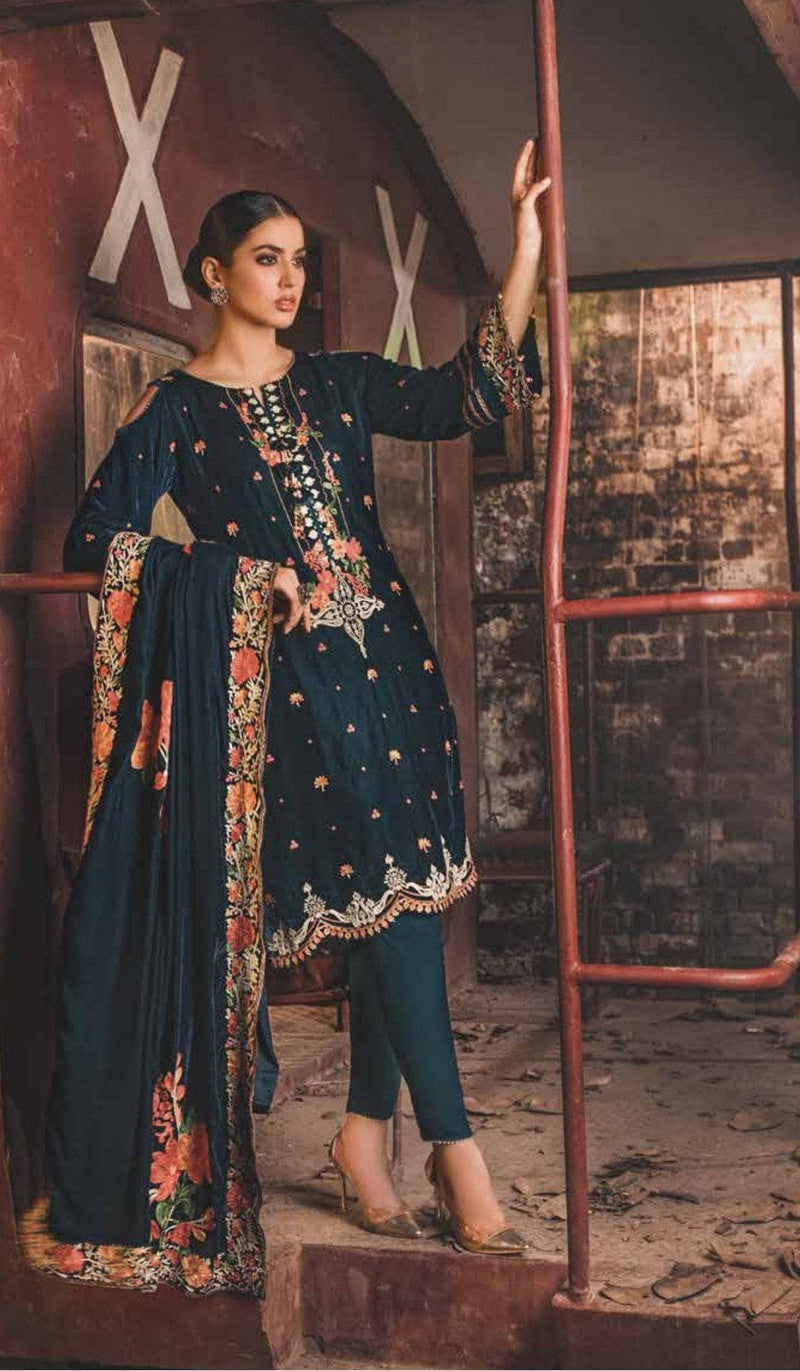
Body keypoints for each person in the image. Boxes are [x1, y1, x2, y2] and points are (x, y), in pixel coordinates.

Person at [59, 140, 550, 1258]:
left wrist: (521, 247)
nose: (289, 280)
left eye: (296, 261)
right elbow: (94, 540)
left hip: (397, 672)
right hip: (294, 697)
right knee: (385, 896)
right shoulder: (176, 415)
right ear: (214, 273)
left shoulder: (335, 381)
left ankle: (365, 1138)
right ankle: (456, 1149)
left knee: (399, 904)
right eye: (265, 259)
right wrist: (238, 577)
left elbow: (467, 394)